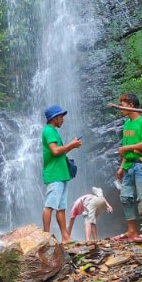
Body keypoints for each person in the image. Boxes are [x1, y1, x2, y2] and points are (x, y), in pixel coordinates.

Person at [116, 93, 142, 243]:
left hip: (140, 165)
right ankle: (131, 231)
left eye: (122, 106)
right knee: (126, 198)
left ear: (131, 105)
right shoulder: (127, 124)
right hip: (128, 166)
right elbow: (126, 150)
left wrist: (127, 147)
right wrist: (121, 167)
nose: (120, 109)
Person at [40, 104, 81, 244]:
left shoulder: (53, 131)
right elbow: (55, 151)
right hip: (54, 175)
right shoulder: (49, 131)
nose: (63, 120)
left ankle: (65, 236)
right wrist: (72, 145)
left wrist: (71, 146)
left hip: (61, 174)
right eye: (61, 117)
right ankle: (45, 236)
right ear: (54, 118)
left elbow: (59, 153)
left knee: (61, 207)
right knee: (50, 205)